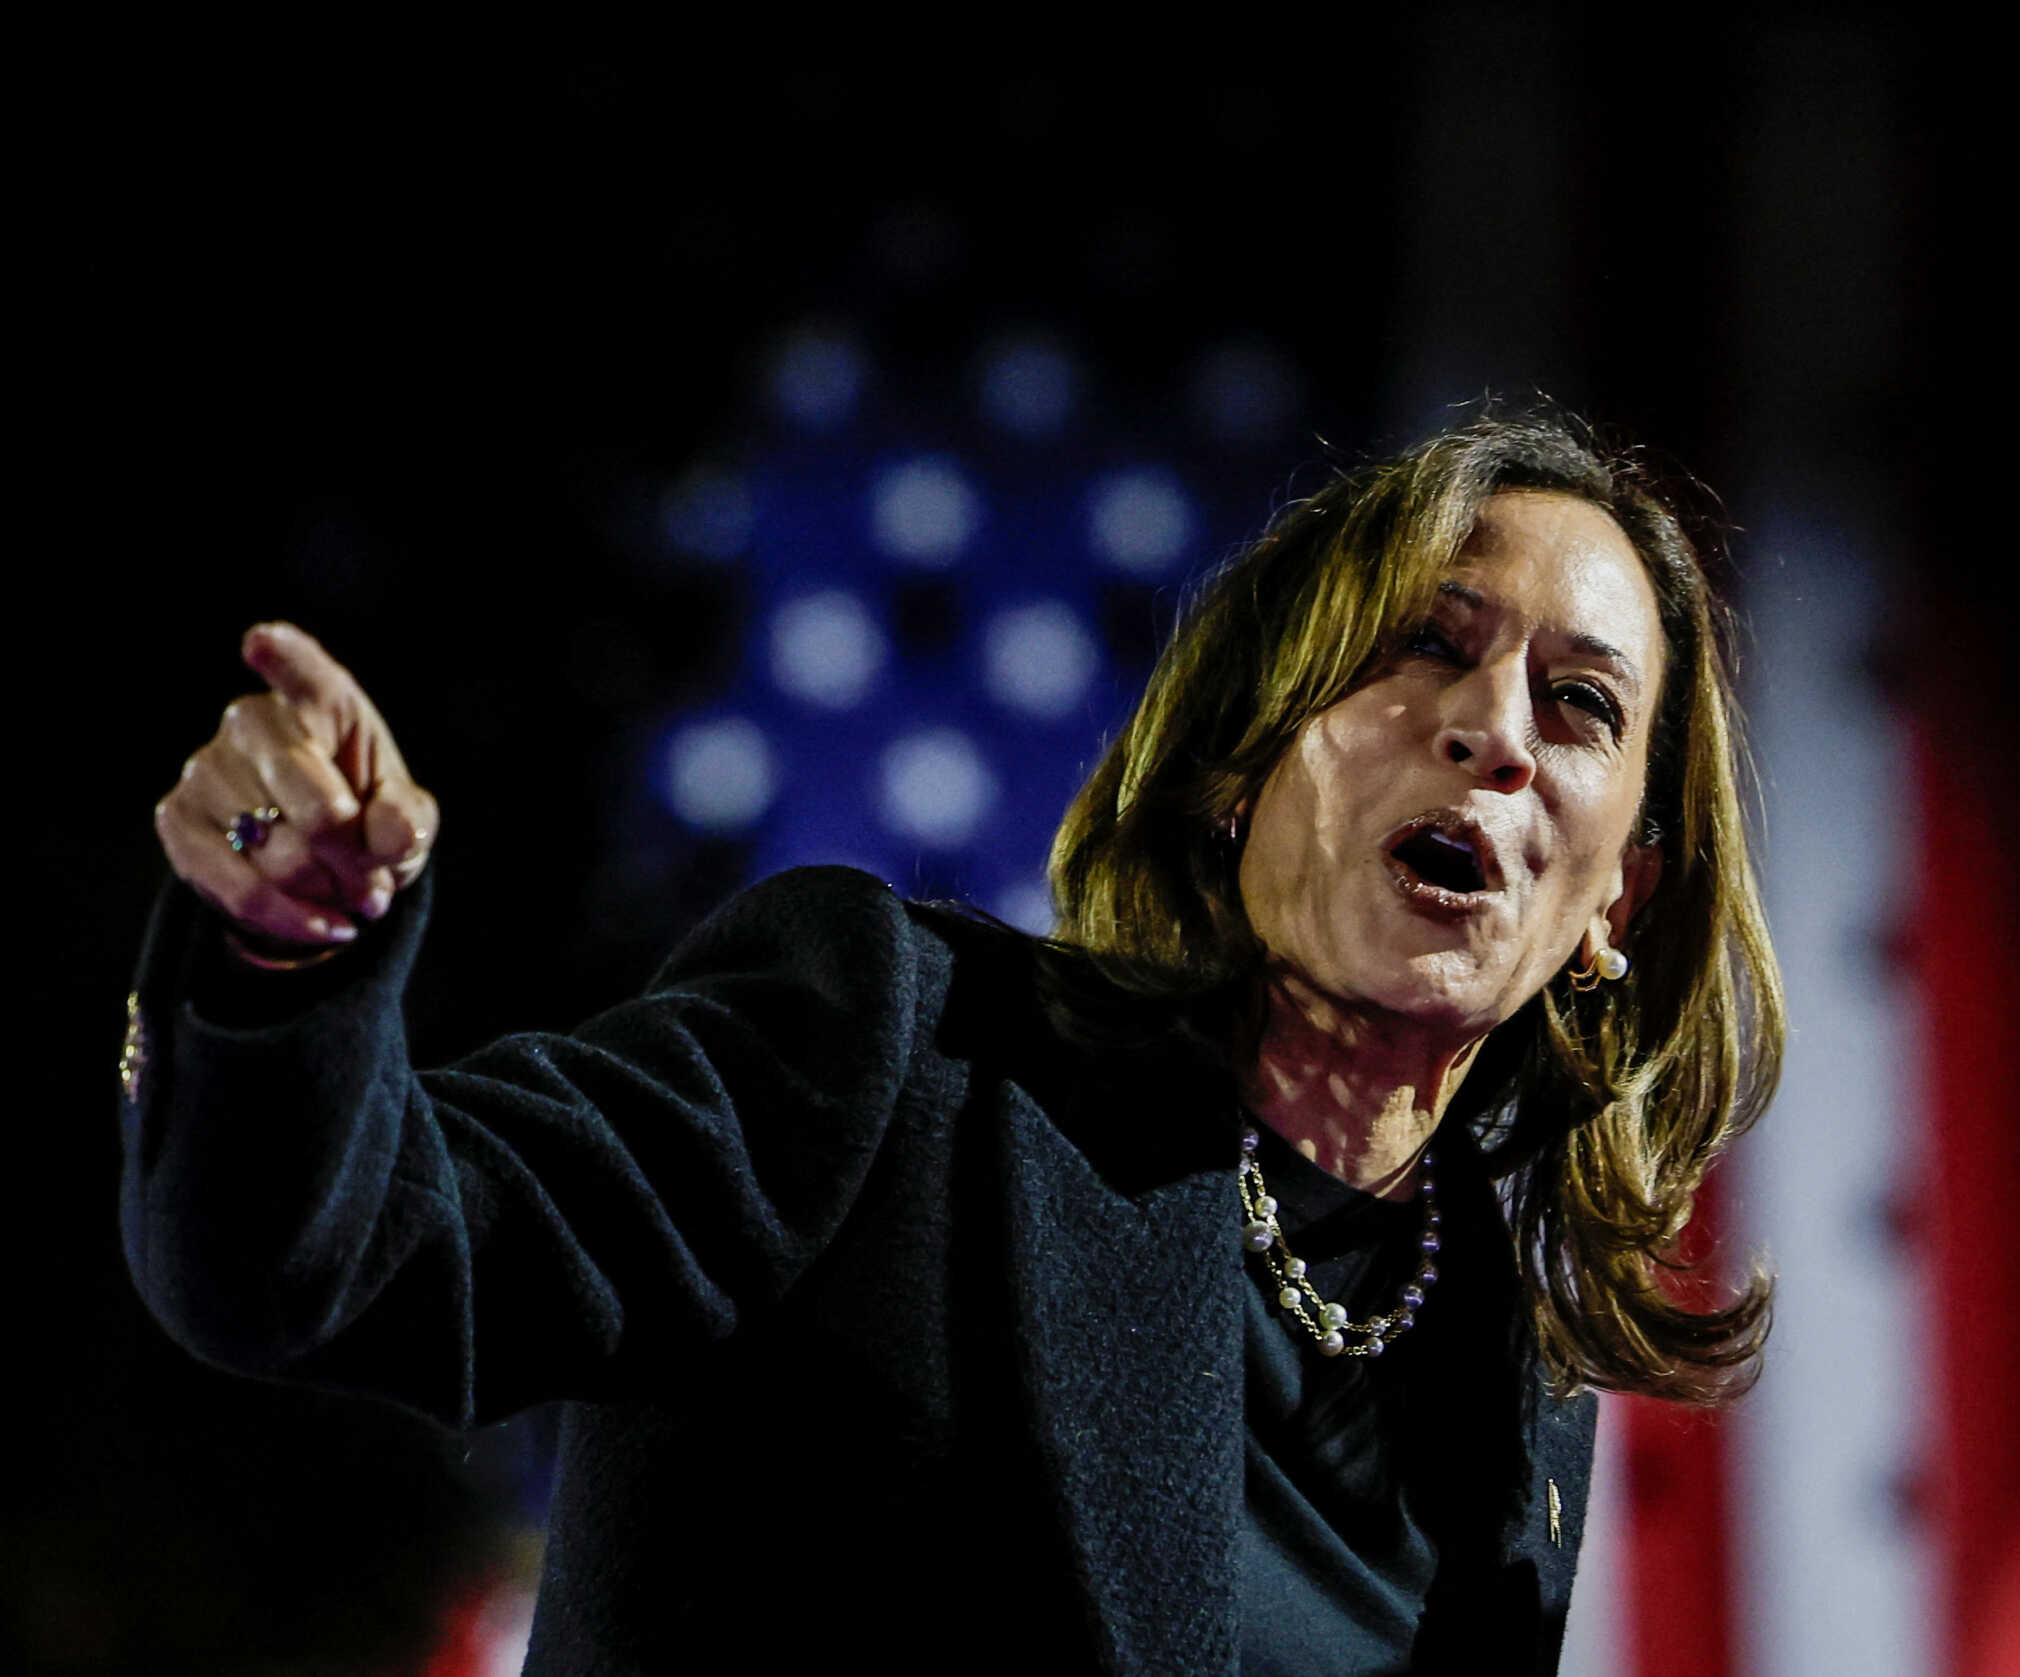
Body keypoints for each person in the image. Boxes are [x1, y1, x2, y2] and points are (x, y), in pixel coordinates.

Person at [124, 410, 1785, 1674]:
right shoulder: (899, 1055)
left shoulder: (1505, 1379)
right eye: (1430, 640)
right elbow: (336, 1253)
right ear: (1240, 764)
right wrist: (290, 958)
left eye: (1582, 704)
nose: (1495, 727)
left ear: (1617, 899)